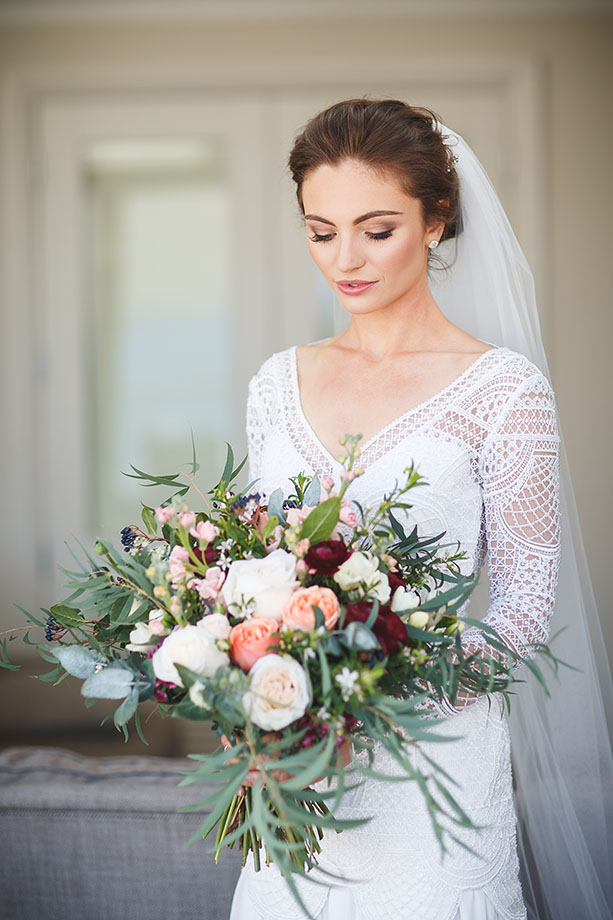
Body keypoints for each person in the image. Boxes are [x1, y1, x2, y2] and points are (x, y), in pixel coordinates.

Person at [228, 99, 613, 920]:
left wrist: (372, 689)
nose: (344, 259)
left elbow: (522, 611)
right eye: (320, 231)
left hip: (435, 769)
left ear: (435, 221)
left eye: (376, 229)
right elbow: (253, 569)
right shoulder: (275, 383)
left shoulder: (503, 392)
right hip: (298, 772)